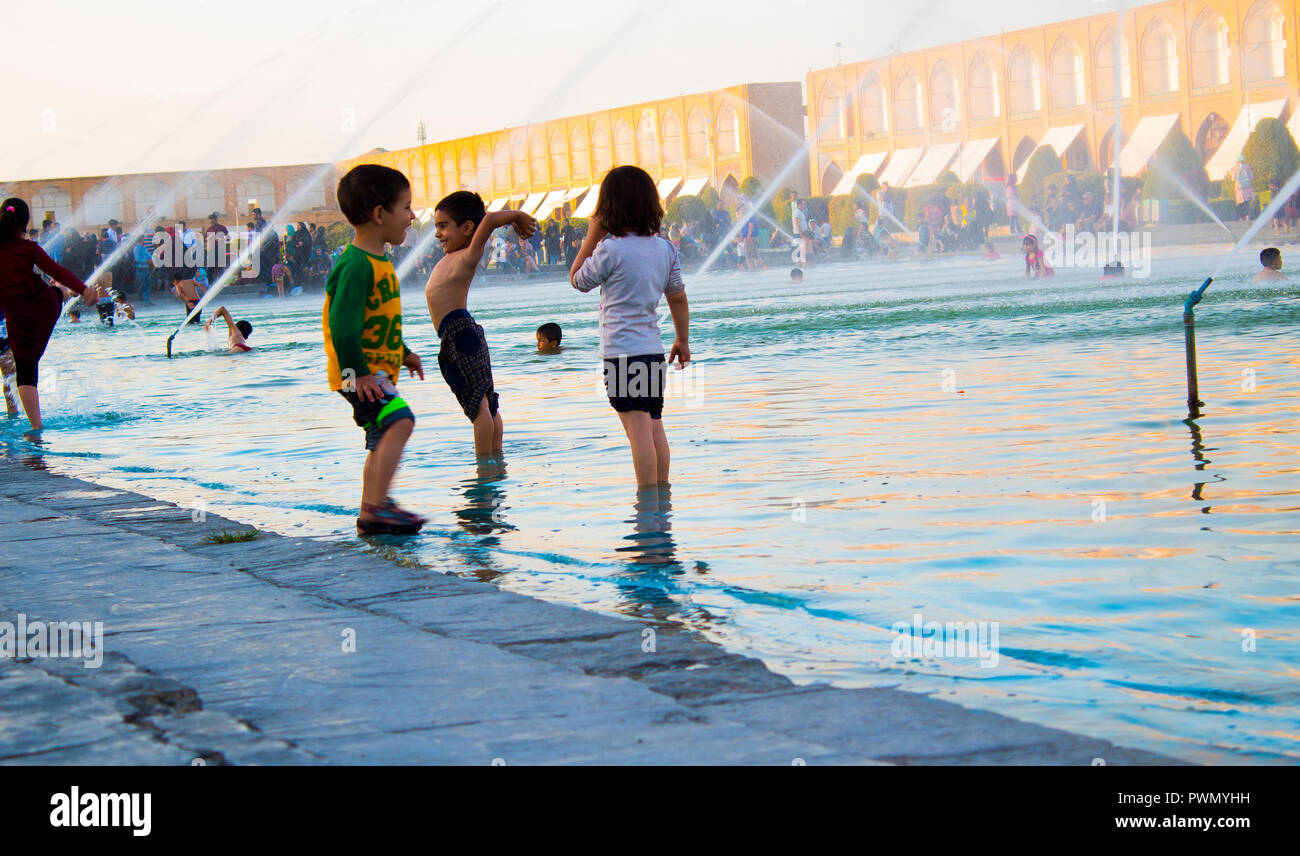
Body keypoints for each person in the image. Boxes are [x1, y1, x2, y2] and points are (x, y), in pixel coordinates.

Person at [570, 165, 690, 488]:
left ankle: (647, 504)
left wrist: (593, 234)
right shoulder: (665, 249)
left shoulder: (611, 250)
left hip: (623, 356)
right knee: (654, 426)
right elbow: (677, 297)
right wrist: (682, 339)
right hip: (653, 352)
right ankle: (661, 499)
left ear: (608, 209)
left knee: (639, 432)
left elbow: (578, 279)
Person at [324, 164, 426, 535]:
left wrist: (403, 352)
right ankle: (377, 507)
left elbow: (376, 323)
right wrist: (360, 373)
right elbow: (343, 328)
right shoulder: (356, 266)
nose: (412, 216)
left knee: (380, 437)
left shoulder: (378, 261)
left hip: (370, 371)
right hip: (359, 374)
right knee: (401, 420)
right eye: (406, 207)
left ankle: (371, 512)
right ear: (379, 214)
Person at [424, 191, 536, 458]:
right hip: (462, 332)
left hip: (458, 333)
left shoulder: (467, 256)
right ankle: (495, 457)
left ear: (467, 228)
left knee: (478, 407)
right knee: (486, 403)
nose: (438, 233)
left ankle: (484, 463)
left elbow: (488, 222)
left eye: (443, 226)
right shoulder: (454, 257)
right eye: (436, 227)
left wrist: (517, 215)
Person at [0, 198, 99, 431]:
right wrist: (84, 289)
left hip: (16, 315)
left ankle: (36, 427)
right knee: (58, 290)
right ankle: (66, 292)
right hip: (43, 306)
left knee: (25, 370)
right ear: (24, 222)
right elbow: (57, 270)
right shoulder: (28, 248)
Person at [1231, 155, 1256, 221]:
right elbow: (1252, 177)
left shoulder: (1235, 168)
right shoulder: (1248, 167)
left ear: (1237, 161)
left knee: (1240, 204)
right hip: (1248, 187)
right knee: (1247, 203)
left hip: (1239, 188)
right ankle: (1248, 216)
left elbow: (1233, 179)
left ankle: (1241, 218)